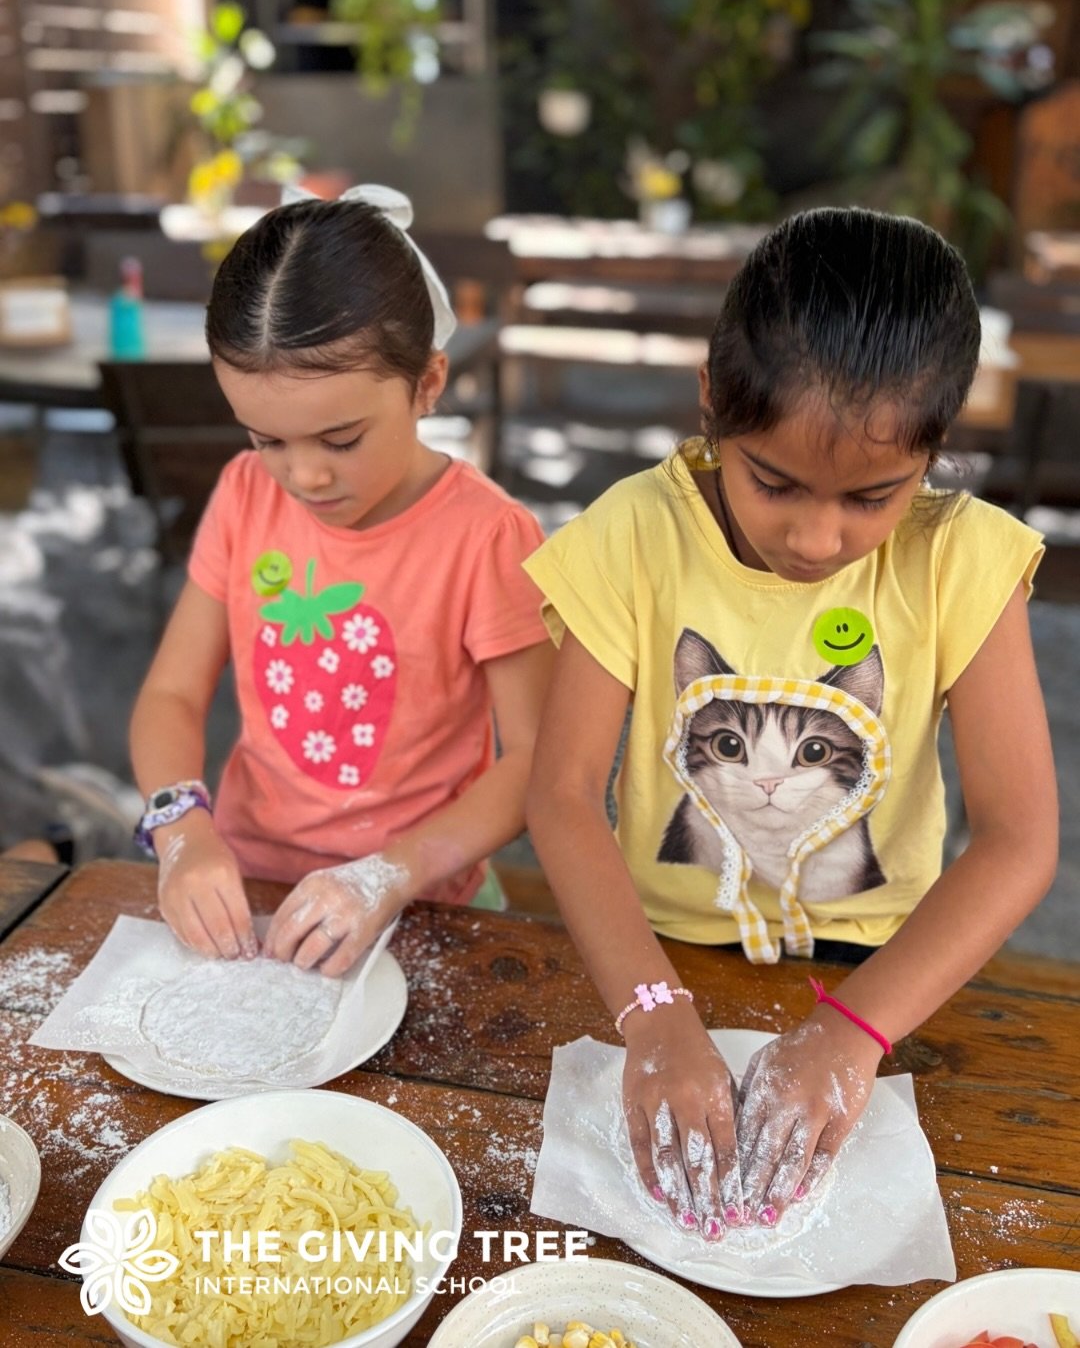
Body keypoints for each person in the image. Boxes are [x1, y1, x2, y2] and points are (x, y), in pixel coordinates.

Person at [523, 208, 1057, 1245]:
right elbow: (559, 792)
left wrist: (852, 1035)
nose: (818, 537)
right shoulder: (632, 537)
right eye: (771, 482)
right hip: (651, 951)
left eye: (874, 497)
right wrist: (651, 1012)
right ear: (713, 403)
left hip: (879, 977)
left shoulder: (962, 563)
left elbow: (1021, 839)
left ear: (937, 451)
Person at [130, 185, 552, 976]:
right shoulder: (245, 495)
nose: (305, 475)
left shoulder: (486, 537)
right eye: (268, 439)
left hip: (427, 901)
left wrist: (387, 874)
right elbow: (171, 696)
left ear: (427, 384)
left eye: (342, 438)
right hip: (249, 885)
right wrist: (182, 831)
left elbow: (535, 760)